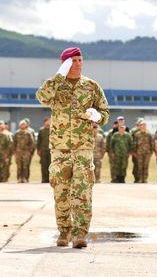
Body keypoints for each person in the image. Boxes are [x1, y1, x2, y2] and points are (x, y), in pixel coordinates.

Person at [36, 46, 109, 248]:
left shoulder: (91, 86)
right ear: (65, 63)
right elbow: (42, 97)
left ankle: (80, 235)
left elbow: (105, 113)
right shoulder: (56, 86)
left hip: (83, 149)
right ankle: (64, 231)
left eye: (80, 60)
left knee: (83, 192)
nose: (78, 64)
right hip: (59, 150)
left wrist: (98, 116)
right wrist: (59, 76)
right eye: (73, 61)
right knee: (61, 191)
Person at [37, 117, 51, 183]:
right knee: (43, 165)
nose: (48, 122)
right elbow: (38, 141)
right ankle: (44, 179)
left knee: (50, 165)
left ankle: (50, 179)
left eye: (49, 121)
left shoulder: (52, 129)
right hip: (43, 150)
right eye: (47, 121)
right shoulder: (41, 130)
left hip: (51, 150)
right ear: (44, 122)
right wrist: (38, 150)